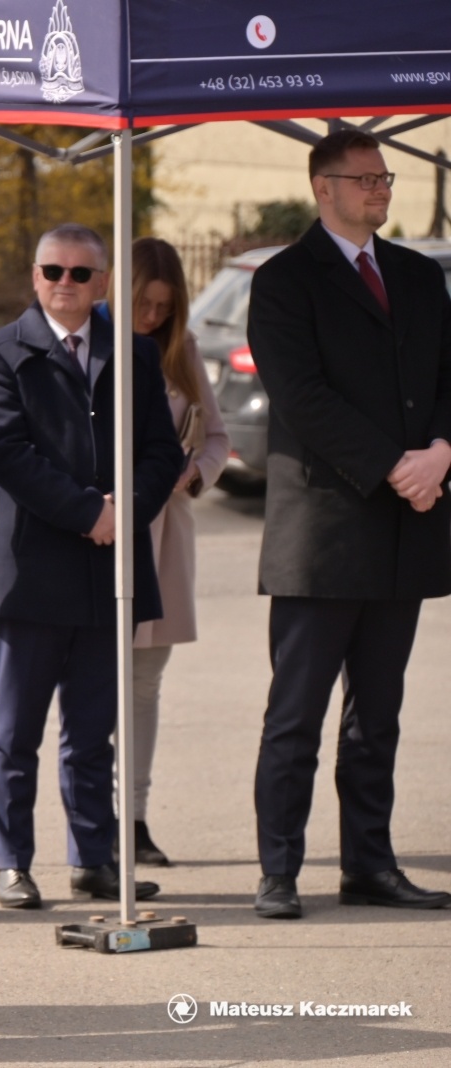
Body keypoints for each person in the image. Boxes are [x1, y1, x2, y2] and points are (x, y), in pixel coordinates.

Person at [247, 130, 451, 920]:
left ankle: (370, 864)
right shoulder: (284, 281)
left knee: (379, 715)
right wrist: (394, 465)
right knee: (295, 716)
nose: (380, 190)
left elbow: (444, 377)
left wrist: (439, 450)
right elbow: (303, 399)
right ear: (321, 188)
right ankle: (279, 871)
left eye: (385, 177)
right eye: (364, 179)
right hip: (325, 535)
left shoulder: (416, 274)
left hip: (406, 526)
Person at [0, 224, 183, 909]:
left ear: (103, 282)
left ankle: (94, 858)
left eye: (81, 274)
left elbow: (162, 450)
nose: (65, 284)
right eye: (53, 271)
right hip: (34, 571)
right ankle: (12, 862)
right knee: (16, 733)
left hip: (109, 571)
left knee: (93, 732)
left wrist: (127, 509)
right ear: (35, 277)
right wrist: (90, 512)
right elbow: (3, 451)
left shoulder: (136, 354)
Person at [125, 237, 231, 866]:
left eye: (165, 307)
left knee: (144, 687)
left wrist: (195, 476)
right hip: (105, 532)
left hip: (167, 537)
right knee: (95, 688)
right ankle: (97, 820)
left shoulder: (181, 350)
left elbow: (216, 438)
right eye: (144, 303)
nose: (153, 317)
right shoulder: (98, 346)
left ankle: (134, 819)